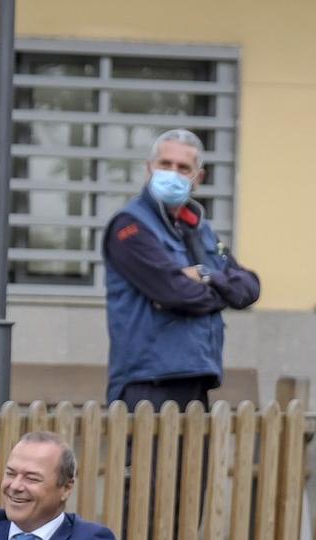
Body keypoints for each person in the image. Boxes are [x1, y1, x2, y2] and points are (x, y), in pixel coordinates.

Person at [101, 128, 260, 409]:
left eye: (183, 167)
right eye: (165, 164)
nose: (172, 173)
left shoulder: (199, 229)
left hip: (197, 376)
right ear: (149, 169)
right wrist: (220, 292)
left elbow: (248, 288)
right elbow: (176, 292)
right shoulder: (131, 227)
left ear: (198, 178)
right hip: (148, 383)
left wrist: (205, 275)